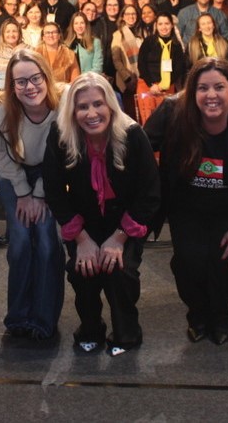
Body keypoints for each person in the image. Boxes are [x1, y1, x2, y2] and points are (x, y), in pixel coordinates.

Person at [144, 58, 228, 345]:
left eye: (219, 87)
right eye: (202, 88)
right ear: (192, 92)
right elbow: (138, 147)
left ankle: (221, 315)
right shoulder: (172, 112)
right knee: (189, 265)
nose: (211, 95)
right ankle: (198, 315)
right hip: (186, 209)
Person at [43, 72, 160, 356]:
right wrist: (81, 240)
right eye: (82, 107)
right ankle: (90, 328)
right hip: (84, 223)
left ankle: (126, 331)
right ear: (73, 110)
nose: (91, 113)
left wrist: (119, 239)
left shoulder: (133, 134)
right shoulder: (61, 135)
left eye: (98, 104)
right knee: (82, 271)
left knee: (119, 271)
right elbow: (54, 191)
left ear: (111, 105)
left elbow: (150, 192)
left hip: (125, 222)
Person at [0, 49, 65, 341]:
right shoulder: (1, 114)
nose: (29, 87)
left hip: (52, 174)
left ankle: (44, 318)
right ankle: (18, 316)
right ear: (11, 86)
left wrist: (39, 194)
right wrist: (23, 192)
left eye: (35, 78)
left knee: (45, 239)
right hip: (13, 173)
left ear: (46, 77)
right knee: (19, 241)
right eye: (20, 82)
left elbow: (63, 157)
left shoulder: (64, 107)